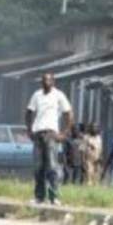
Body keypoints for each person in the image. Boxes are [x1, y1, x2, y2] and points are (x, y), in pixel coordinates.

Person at [25, 73, 73, 205]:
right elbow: (29, 112)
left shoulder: (59, 95)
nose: (45, 82)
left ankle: (54, 197)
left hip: (51, 134)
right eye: (43, 80)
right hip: (38, 134)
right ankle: (39, 197)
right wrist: (29, 130)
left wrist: (64, 133)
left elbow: (68, 113)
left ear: (53, 82)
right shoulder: (37, 95)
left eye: (48, 80)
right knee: (38, 167)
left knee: (52, 167)